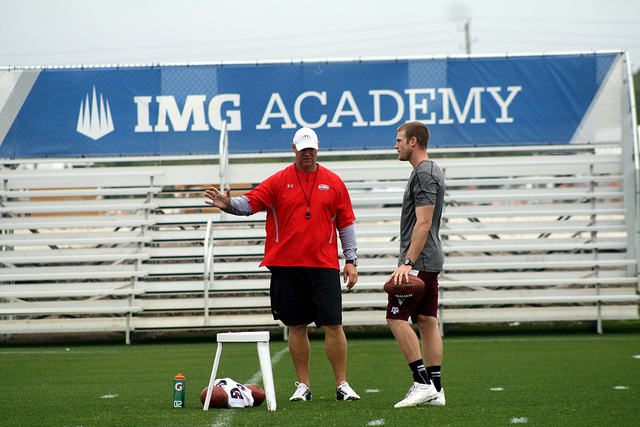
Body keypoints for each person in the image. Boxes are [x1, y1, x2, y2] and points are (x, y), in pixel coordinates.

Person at [204, 127, 361, 403]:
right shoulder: (278, 181)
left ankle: (342, 384)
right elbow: (249, 203)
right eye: (302, 149)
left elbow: (345, 223)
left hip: (324, 266)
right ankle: (303, 385)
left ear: (318, 148)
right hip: (287, 266)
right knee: (296, 325)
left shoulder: (334, 182)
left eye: (311, 148)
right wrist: (227, 204)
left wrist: (351, 260)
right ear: (294, 149)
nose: (307, 154)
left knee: (334, 324)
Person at [386, 121, 446, 408]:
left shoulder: (424, 173)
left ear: (413, 141)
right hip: (430, 257)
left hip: (419, 259)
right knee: (426, 320)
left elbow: (423, 222)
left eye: (399, 140)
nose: (395, 145)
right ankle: (436, 389)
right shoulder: (429, 170)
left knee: (396, 318)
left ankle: (421, 383)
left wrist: (407, 263)